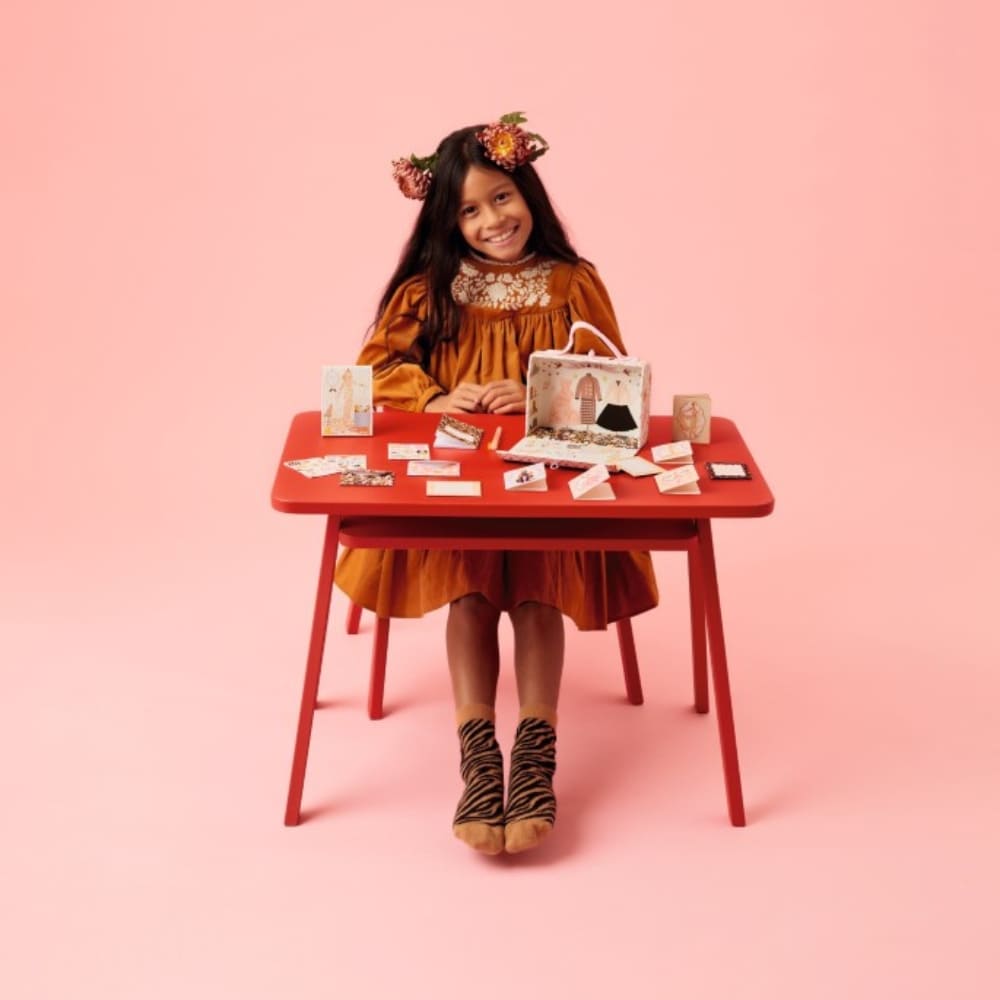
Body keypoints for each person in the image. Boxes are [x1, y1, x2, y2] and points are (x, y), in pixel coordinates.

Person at [336, 113, 658, 856]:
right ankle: (479, 756)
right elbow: (375, 370)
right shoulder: (431, 287)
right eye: (468, 211)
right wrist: (433, 397)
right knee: (472, 589)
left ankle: (536, 753)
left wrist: (539, 392)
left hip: (547, 475)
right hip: (460, 476)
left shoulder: (573, 283)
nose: (491, 221)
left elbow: (614, 380)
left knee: (538, 585)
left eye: (501, 198)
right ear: (447, 223)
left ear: (528, 192)